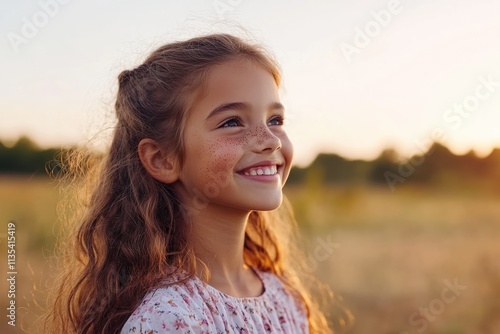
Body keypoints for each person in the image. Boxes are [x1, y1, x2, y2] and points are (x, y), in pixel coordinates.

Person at [43, 33, 331, 334]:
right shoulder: (168, 318)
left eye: (275, 120)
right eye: (232, 122)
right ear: (162, 159)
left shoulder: (283, 297)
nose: (270, 140)